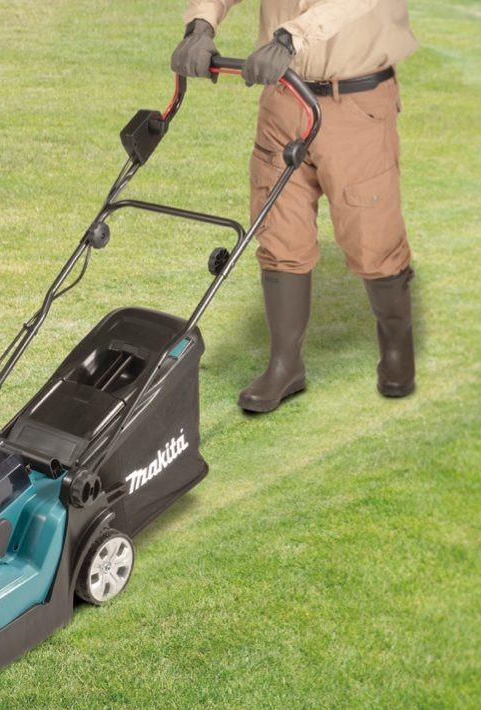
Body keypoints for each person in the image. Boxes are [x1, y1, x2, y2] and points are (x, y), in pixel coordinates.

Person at [171, 1, 418, 412]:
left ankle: (397, 350)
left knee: (372, 236)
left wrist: (289, 39)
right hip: (284, 98)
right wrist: (201, 23)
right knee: (279, 232)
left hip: (356, 101)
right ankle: (285, 365)